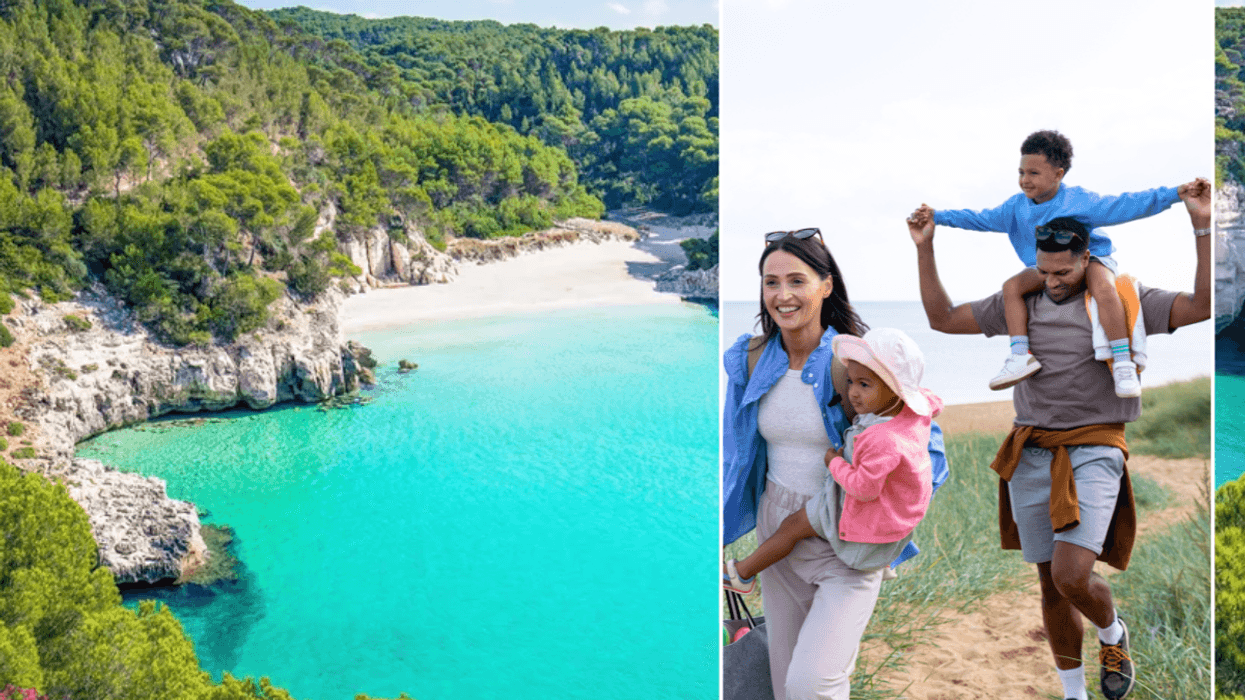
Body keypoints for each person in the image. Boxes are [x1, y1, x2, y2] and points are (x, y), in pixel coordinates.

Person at [908, 178, 1210, 700]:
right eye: (1043, 271)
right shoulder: (1020, 302)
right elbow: (941, 319)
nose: (1052, 281)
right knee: (1050, 583)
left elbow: (1203, 304)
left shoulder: (1123, 298)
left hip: (1095, 446)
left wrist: (1201, 226)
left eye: (1063, 271)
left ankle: (1112, 632)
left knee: (1073, 575)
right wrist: (926, 247)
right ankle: (1074, 692)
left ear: (1087, 257)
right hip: (1032, 451)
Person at [722, 229, 947, 700]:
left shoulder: (857, 359)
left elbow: (925, 450)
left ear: (826, 285)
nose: (782, 296)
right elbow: (736, 451)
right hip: (776, 530)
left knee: (813, 684)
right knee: (786, 686)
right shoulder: (751, 357)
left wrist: (886, 516)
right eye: (771, 282)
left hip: (846, 535)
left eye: (797, 281)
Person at [911, 129, 1197, 398]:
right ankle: (1020, 354)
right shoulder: (1015, 208)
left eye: (1034, 173)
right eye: (1021, 172)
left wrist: (1175, 193)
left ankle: (1122, 362)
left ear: (1058, 174)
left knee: (1105, 289)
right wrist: (939, 216)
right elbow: (979, 218)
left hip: (1092, 258)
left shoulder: (1079, 200)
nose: (1025, 179)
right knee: (1012, 287)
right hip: (1046, 267)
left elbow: (1128, 203)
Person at [722, 328, 941, 592]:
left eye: (864, 384)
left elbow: (863, 487)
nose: (853, 394)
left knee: (792, 527)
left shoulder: (884, 439)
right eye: (850, 382)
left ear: (895, 389)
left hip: (854, 504)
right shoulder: (912, 415)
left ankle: (741, 574)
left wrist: (834, 464)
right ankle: (880, 558)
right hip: (891, 513)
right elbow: (931, 400)